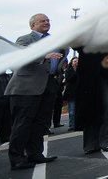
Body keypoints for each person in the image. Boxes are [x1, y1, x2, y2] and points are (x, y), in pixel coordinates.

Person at [4, 13, 64, 170]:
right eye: (42, 20)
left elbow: (60, 57)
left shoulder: (54, 40)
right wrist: (44, 55)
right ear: (32, 25)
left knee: (41, 123)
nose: (46, 22)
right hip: (26, 88)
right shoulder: (25, 39)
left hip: (49, 85)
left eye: (48, 20)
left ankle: (35, 154)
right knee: (22, 123)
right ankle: (17, 158)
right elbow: (22, 55)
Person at [75, 50, 108, 154]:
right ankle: (91, 143)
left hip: (107, 71)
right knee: (89, 107)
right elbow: (75, 44)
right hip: (88, 73)